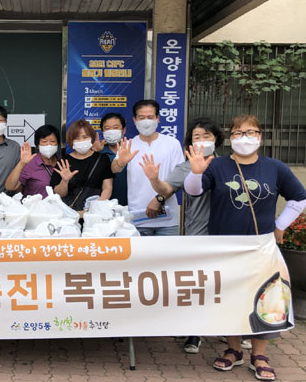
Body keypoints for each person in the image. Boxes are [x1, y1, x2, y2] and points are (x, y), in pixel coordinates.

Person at [184, 114, 306, 381]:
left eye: (251, 132)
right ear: (231, 138)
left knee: (266, 299)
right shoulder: (217, 166)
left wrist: (280, 225)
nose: (245, 138)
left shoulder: (275, 168)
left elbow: (299, 197)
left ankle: (259, 355)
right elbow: (194, 191)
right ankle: (234, 349)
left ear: (260, 137)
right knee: (229, 298)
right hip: (224, 246)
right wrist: (196, 172)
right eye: (238, 133)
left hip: (260, 246)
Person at [139, 116, 224, 354]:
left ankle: (230, 329)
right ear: (190, 143)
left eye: (207, 136)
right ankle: (194, 332)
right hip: (197, 233)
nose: (202, 141)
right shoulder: (185, 168)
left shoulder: (228, 164)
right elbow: (167, 189)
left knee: (225, 283)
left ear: (216, 139)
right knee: (198, 283)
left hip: (226, 234)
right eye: (197, 137)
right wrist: (154, 180)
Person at [111, 99, 184, 236]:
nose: (146, 122)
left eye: (150, 117)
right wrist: (120, 162)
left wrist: (159, 200)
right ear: (134, 120)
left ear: (158, 119)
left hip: (168, 221)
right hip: (138, 219)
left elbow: (178, 180)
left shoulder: (172, 144)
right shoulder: (129, 144)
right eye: (141, 117)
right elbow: (115, 169)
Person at [50, 119, 113, 210]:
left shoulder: (102, 159)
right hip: (70, 213)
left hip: (96, 213)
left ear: (91, 138)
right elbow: (59, 194)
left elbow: (107, 187)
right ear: (71, 140)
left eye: (85, 137)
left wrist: (97, 207)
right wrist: (64, 181)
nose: (81, 141)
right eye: (77, 138)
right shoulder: (63, 162)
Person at [4, 124, 60, 198]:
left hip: (58, 205)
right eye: (44, 141)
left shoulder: (63, 162)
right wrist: (22, 163)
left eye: (52, 141)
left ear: (57, 144)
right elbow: (10, 187)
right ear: (37, 145)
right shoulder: (30, 163)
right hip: (34, 205)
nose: (48, 144)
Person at [92, 112, 128, 205]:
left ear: (123, 130)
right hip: (105, 205)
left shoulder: (133, 150)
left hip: (131, 205)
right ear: (102, 132)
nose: (111, 131)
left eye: (115, 127)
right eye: (107, 128)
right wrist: (93, 153)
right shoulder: (99, 152)